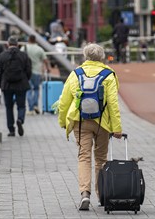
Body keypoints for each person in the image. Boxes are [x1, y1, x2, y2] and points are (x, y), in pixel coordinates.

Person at [58, 43, 122, 211]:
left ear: (85, 56)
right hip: (103, 122)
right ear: (101, 57)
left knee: (84, 157)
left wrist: (63, 121)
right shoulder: (109, 75)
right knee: (101, 159)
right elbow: (113, 103)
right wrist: (117, 128)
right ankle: (102, 195)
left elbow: (64, 100)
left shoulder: (75, 73)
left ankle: (84, 194)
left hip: (81, 121)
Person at [0, 36, 32, 137]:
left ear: (8, 44)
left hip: (7, 85)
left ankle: (11, 129)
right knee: (21, 105)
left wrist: (0, 84)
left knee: (8, 107)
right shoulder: (24, 55)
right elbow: (28, 70)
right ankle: (20, 119)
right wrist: (26, 79)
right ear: (17, 44)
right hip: (21, 84)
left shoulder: (2, 55)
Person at [20, 35, 50, 115]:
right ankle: (36, 105)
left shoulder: (24, 48)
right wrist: (48, 68)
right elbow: (45, 60)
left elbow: (20, 58)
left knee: (28, 90)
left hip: (26, 72)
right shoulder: (39, 49)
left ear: (29, 39)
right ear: (35, 40)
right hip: (37, 72)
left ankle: (30, 109)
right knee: (36, 89)